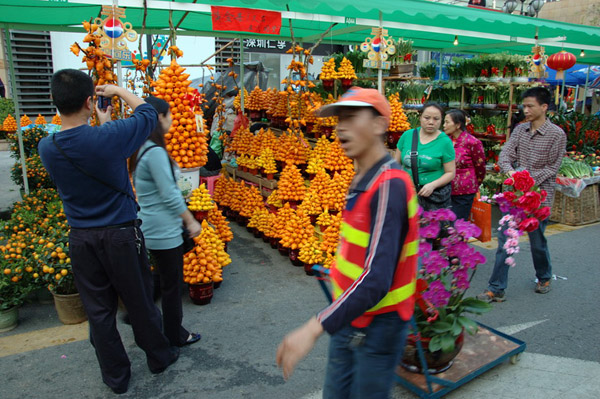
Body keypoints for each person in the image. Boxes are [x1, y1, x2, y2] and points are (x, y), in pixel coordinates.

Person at [38, 69, 179, 395]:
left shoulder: (48, 147)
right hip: (120, 235)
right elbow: (147, 113)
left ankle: (116, 378)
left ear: (54, 102)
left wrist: (101, 121)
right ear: (91, 101)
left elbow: (89, 157)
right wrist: (118, 89)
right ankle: (158, 357)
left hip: (81, 239)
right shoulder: (110, 135)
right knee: (139, 301)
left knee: (99, 311)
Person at [276, 87, 419, 399]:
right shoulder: (361, 178)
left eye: (352, 117)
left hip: (378, 326)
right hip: (350, 317)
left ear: (380, 125)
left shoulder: (389, 186)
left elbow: (376, 278)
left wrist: (314, 327)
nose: (341, 126)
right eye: (339, 118)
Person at [477, 87, 566, 302]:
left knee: (537, 242)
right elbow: (505, 155)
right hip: (514, 197)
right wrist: (512, 174)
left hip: (539, 198)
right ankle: (496, 288)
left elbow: (552, 167)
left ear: (544, 107)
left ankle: (544, 276)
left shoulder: (556, 135)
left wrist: (527, 181)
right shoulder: (519, 130)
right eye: (524, 106)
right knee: (505, 241)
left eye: (530, 106)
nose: (525, 110)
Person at [128, 96, 202, 347]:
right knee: (172, 285)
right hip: (164, 229)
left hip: (152, 225)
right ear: (158, 118)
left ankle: (136, 310)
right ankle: (175, 334)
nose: (172, 119)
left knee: (161, 278)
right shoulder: (155, 152)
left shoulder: (142, 148)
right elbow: (170, 194)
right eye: (169, 114)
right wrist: (190, 220)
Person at [394, 103, 456, 211]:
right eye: (427, 118)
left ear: (441, 120)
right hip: (408, 194)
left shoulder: (445, 142)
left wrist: (432, 185)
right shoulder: (407, 136)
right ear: (420, 118)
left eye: (436, 119)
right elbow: (395, 164)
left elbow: (450, 173)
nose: (431, 122)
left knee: (431, 226)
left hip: (433, 196)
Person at [444, 110, 486, 221]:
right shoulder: (445, 141)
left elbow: (480, 168)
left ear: (457, 125)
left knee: (458, 226)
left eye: (447, 122)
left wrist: (474, 183)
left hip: (464, 191)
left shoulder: (472, 142)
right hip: (445, 190)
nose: (444, 126)